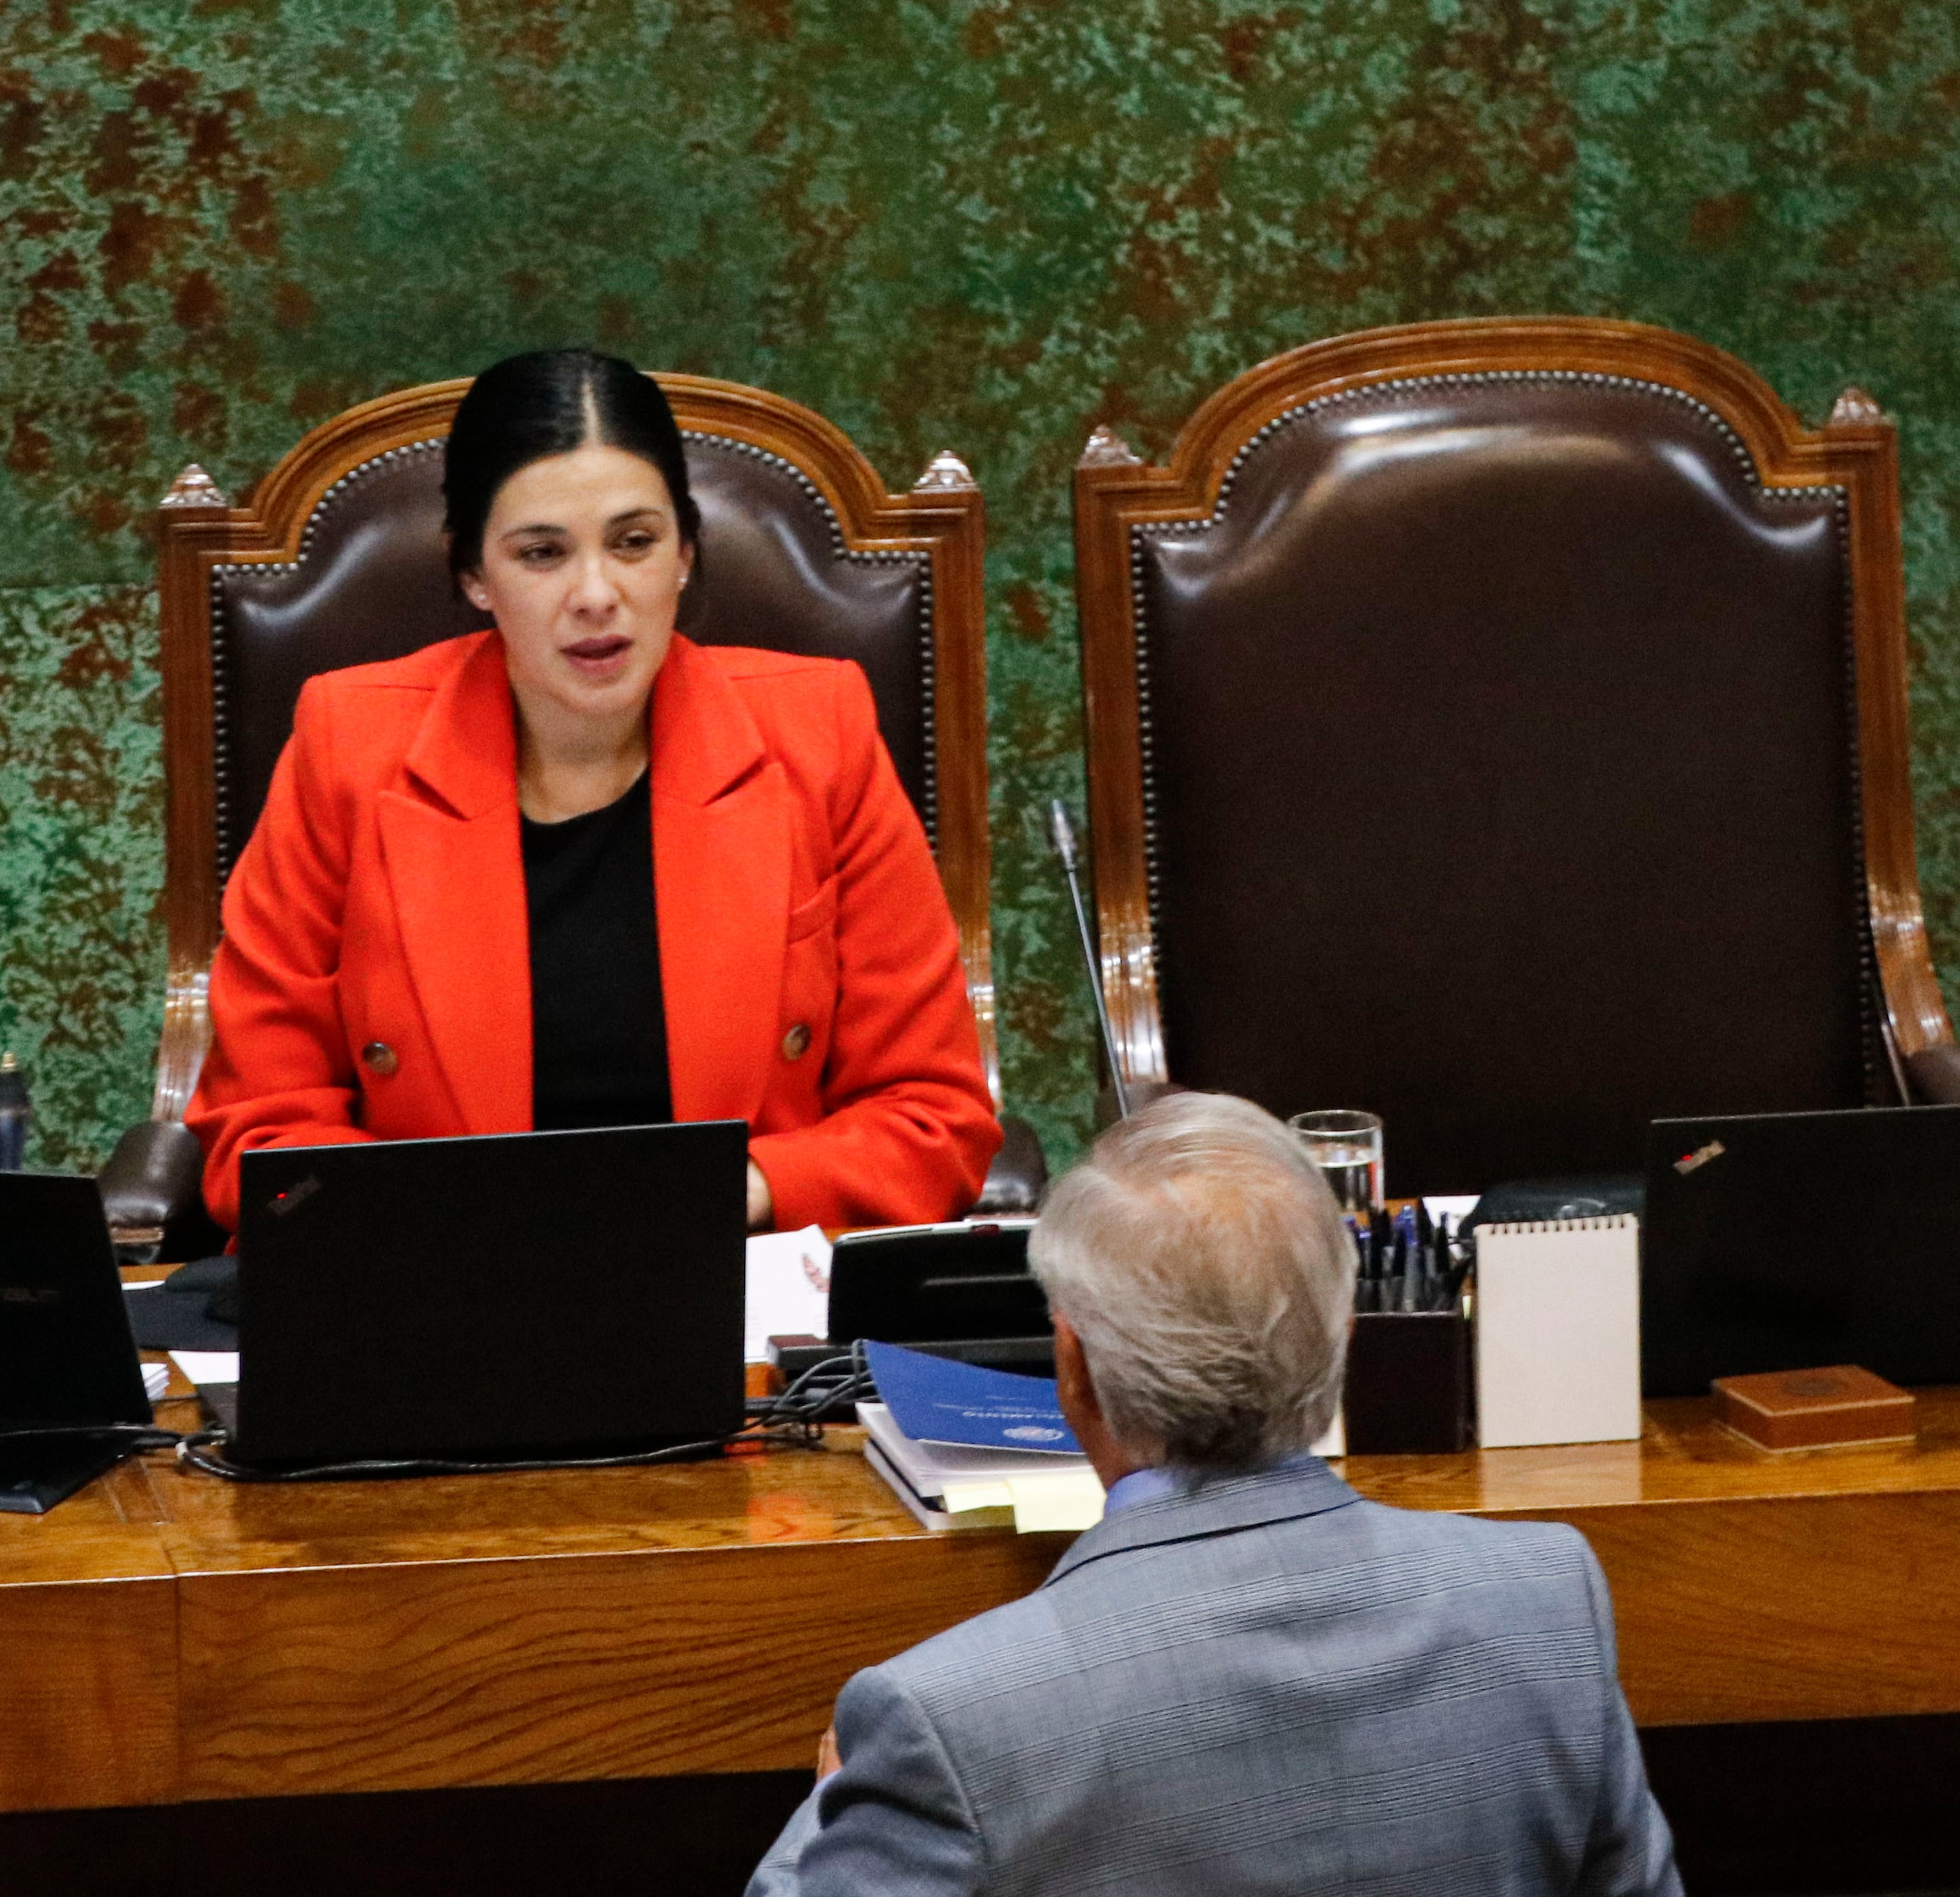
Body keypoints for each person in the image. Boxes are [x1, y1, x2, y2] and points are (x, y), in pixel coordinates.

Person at [748, 1091, 1679, 1896]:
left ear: (1071, 1366)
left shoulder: (938, 1720)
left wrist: (833, 1806)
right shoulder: (1548, 1600)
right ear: (1341, 1338)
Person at [186, 349, 1000, 1235]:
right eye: (542, 553)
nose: (597, 594)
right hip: (443, 1287)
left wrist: (738, 1191)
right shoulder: (348, 745)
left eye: (634, 542)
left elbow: (933, 1116)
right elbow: (259, 1136)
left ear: (685, 553)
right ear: (473, 576)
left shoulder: (820, 735)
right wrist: (467, 1224)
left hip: (740, 1296)